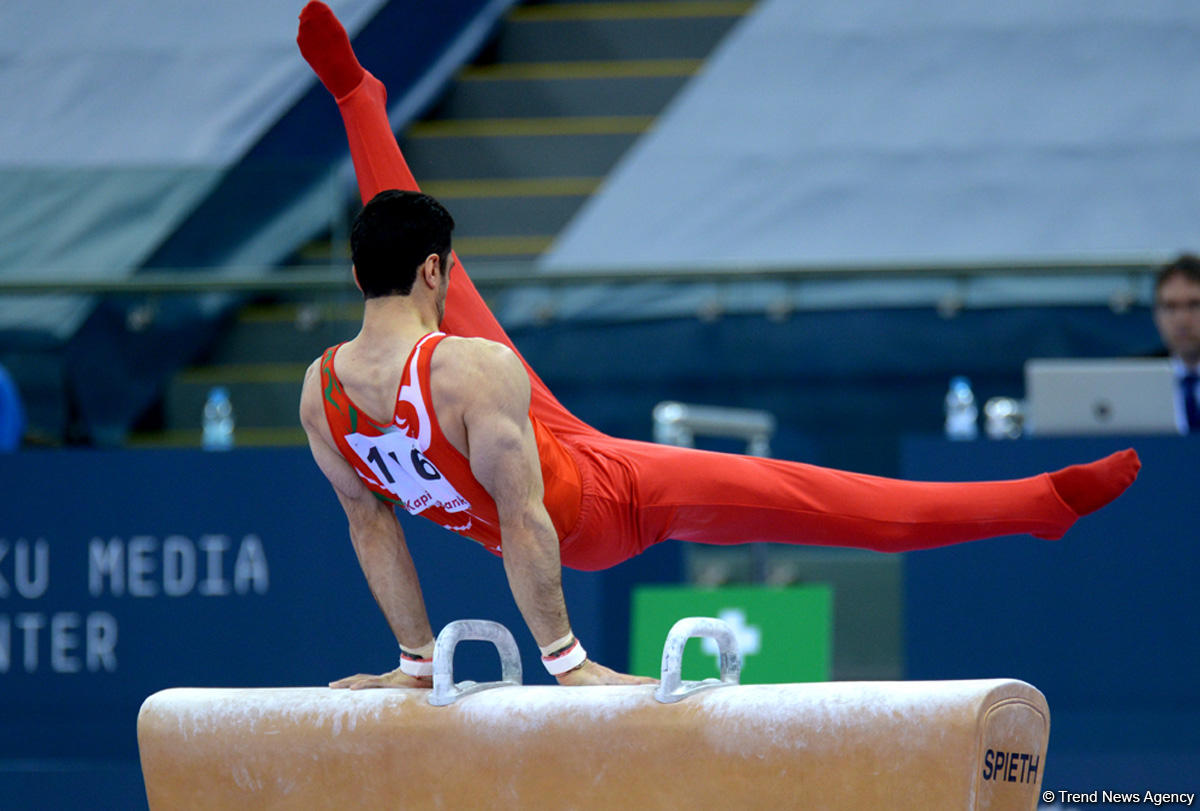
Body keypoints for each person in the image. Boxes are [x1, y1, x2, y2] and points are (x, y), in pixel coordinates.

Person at [294, 1, 1141, 688]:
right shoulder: (470, 368)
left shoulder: (319, 392)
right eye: (442, 269)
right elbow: (525, 520)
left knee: (427, 281)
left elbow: (371, 527)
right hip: (601, 501)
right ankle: (1037, 505)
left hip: (533, 443)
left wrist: (413, 661)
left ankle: (356, 99)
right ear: (432, 272)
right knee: (816, 497)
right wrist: (567, 662)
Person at [1152, 254, 1200, 433]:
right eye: (1170, 307)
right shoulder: (1131, 378)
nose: (1182, 320)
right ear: (1156, 315)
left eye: (1194, 305)